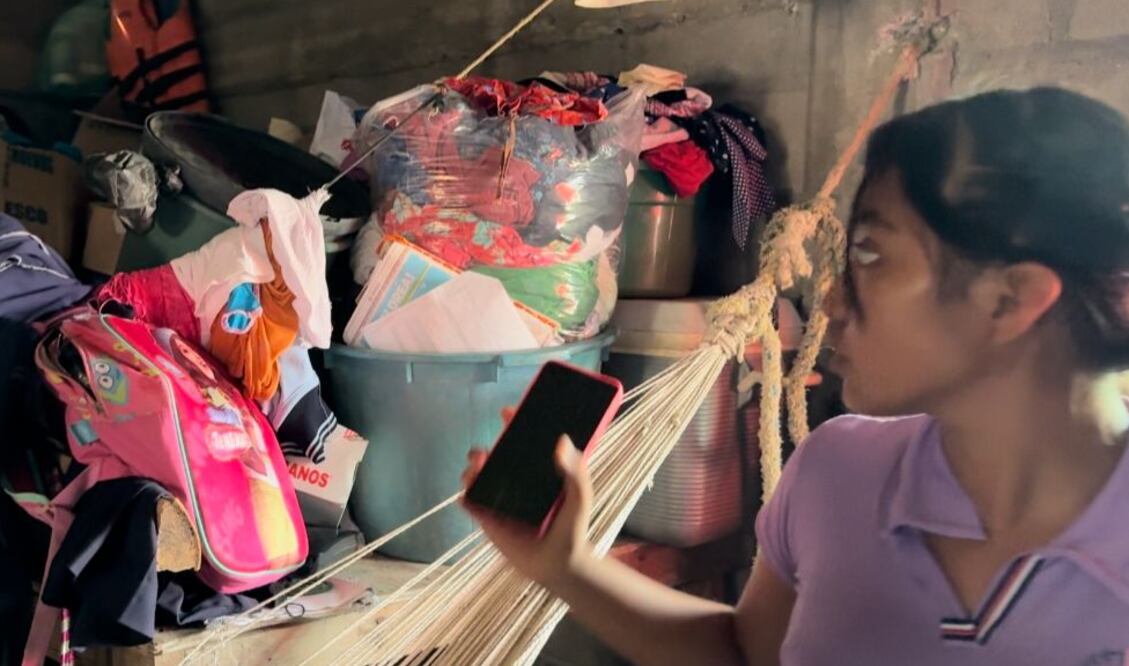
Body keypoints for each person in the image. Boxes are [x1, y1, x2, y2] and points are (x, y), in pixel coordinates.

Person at [462, 87, 1129, 666]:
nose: (831, 300)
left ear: (1008, 301)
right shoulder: (836, 472)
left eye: (870, 252)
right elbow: (750, 655)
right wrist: (566, 566)